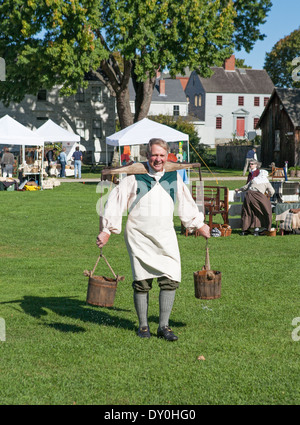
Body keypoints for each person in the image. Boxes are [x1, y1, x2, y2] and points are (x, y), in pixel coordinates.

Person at [96, 138, 210, 341]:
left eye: (162, 155)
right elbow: (115, 202)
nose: (158, 159)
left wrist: (198, 224)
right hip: (139, 235)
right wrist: (107, 230)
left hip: (165, 234)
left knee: (171, 277)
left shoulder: (174, 178)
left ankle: (164, 326)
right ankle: (143, 326)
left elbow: (185, 203)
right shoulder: (134, 178)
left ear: (167, 156)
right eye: (154, 155)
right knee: (142, 281)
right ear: (147, 156)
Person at [235, 170, 275, 236]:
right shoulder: (266, 181)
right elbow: (272, 191)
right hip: (259, 196)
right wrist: (268, 195)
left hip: (249, 195)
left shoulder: (254, 179)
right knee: (266, 210)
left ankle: (245, 230)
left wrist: (239, 189)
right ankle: (263, 228)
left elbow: (246, 187)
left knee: (248, 211)